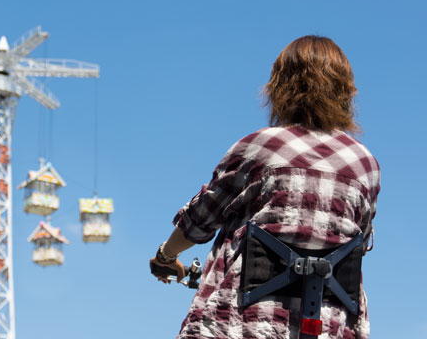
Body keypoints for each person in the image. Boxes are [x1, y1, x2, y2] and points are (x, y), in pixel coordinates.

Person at [150, 35, 380, 339]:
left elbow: (199, 221)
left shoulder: (258, 147)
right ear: (345, 91)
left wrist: (165, 257)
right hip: (331, 329)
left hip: (239, 326)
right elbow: (358, 245)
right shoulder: (366, 166)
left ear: (280, 87)